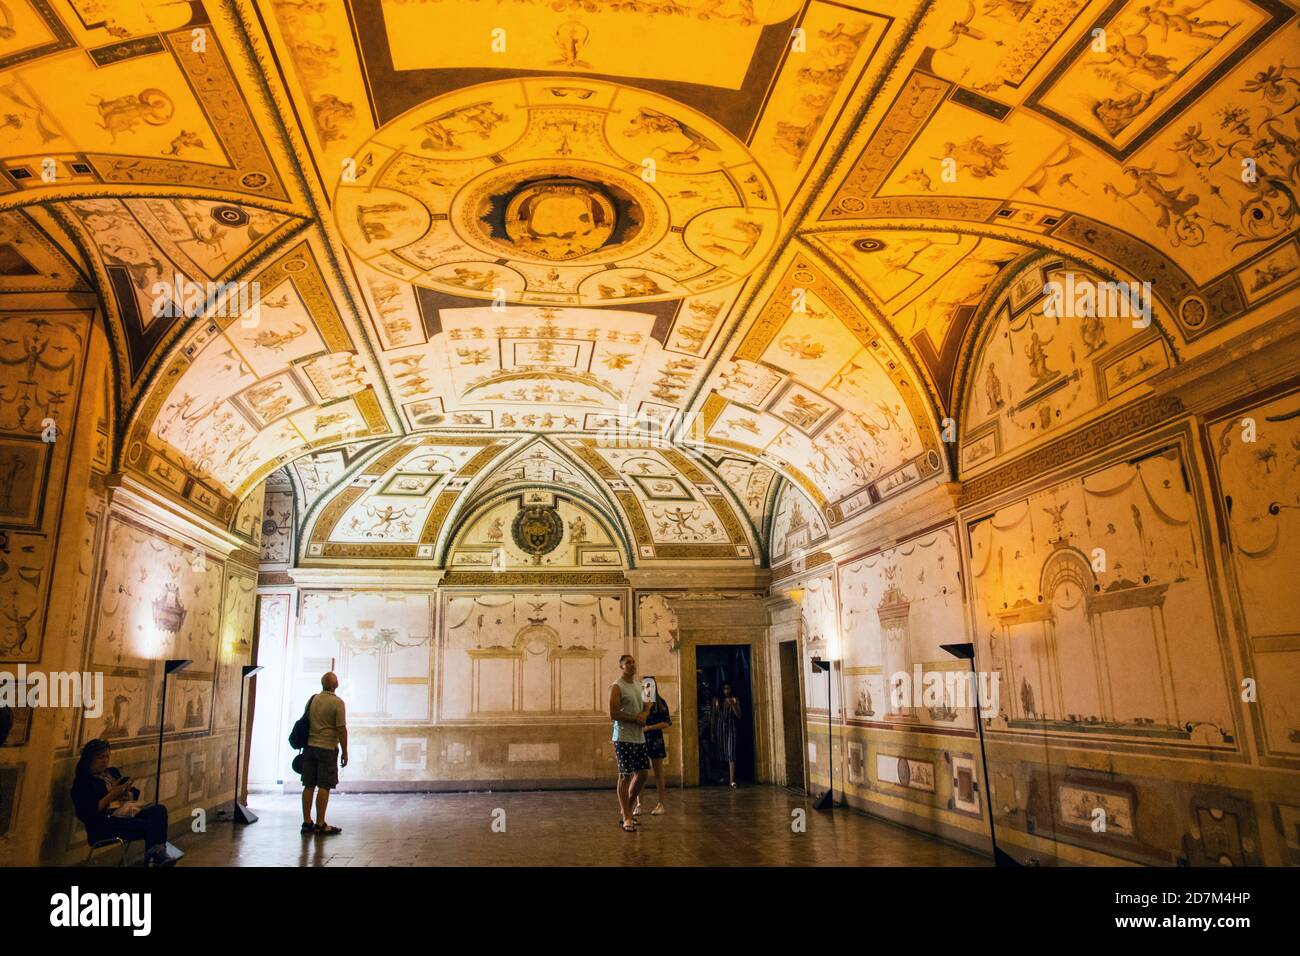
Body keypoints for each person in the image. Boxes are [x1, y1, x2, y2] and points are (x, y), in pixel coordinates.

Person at [71, 738, 175, 866]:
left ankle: (157, 856)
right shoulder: (83, 782)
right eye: (100, 757)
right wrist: (111, 795)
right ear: (89, 759)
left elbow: (134, 791)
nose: (105, 761)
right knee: (150, 825)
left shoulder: (111, 773)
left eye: (107, 756)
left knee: (159, 811)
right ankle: (156, 858)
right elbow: (88, 812)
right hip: (104, 824)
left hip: (126, 813)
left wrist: (127, 795)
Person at [301, 671, 348, 835]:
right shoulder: (338, 703)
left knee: (308, 784)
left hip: (310, 747)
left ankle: (307, 822)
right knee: (324, 785)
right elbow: (341, 729)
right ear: (336, 685)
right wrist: (345, 751)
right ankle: (320, 823)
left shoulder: (313, 699)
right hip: (327, 748)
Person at [609, 654, 651, 832]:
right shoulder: (617, 686)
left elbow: (647, 705)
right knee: (625, 776)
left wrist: (645, 715)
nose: (632, 665)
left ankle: (627, 808)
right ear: (621, 667)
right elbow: (614, 713)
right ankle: (627, 817)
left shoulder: (641, 684)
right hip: (623, 738)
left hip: (639, 737)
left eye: (634, 662)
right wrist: (635, 718)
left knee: (642, 774)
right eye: (628, 663)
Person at [634, 679, 671, 816]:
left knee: (658, 773)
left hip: (655, 740)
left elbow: (667, 723)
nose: (647, 689)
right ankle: (639, 804)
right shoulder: (639, 703)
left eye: (650, 686)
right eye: (645, 686)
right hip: (641, 740)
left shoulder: (660, 703)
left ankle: (661, 803)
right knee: (640, 773)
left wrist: (650, 727)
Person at [716, 682, 741, 788]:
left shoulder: (735, 699)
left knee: (731, 752)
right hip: (720, 726)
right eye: (724, 688)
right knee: (721, 751)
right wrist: (713, 731)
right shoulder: (717, 700)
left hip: (731, 726)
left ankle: (731, 780)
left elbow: (739, 715)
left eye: (728, 688)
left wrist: (733, 705)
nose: (726, 690)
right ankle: (722, 776)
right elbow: (714, 716)